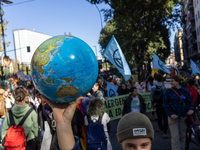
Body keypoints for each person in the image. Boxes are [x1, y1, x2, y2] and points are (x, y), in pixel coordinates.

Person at [163, 75, 194, 150]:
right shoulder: (168, 91)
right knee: (175, 137)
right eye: (170, 81)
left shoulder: (185, 91)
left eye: (172, 81)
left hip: (183, 117)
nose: (170, 83)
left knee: (182, 136)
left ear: (178, 81)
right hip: (172, 117)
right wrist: (170, 114)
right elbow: (165, 104)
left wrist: (191, 109)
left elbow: (190, 103)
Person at [150, 74, 168, 138]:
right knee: (165, 118)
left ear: (156, 79)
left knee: (159, 118)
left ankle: (161, 129)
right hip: (163, 104)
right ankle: (165, 131)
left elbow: (151, 97)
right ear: (162, 79)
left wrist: (153, 104)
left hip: (157, 104)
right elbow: (166, 96)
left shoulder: (153, 87)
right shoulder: (164, 87)